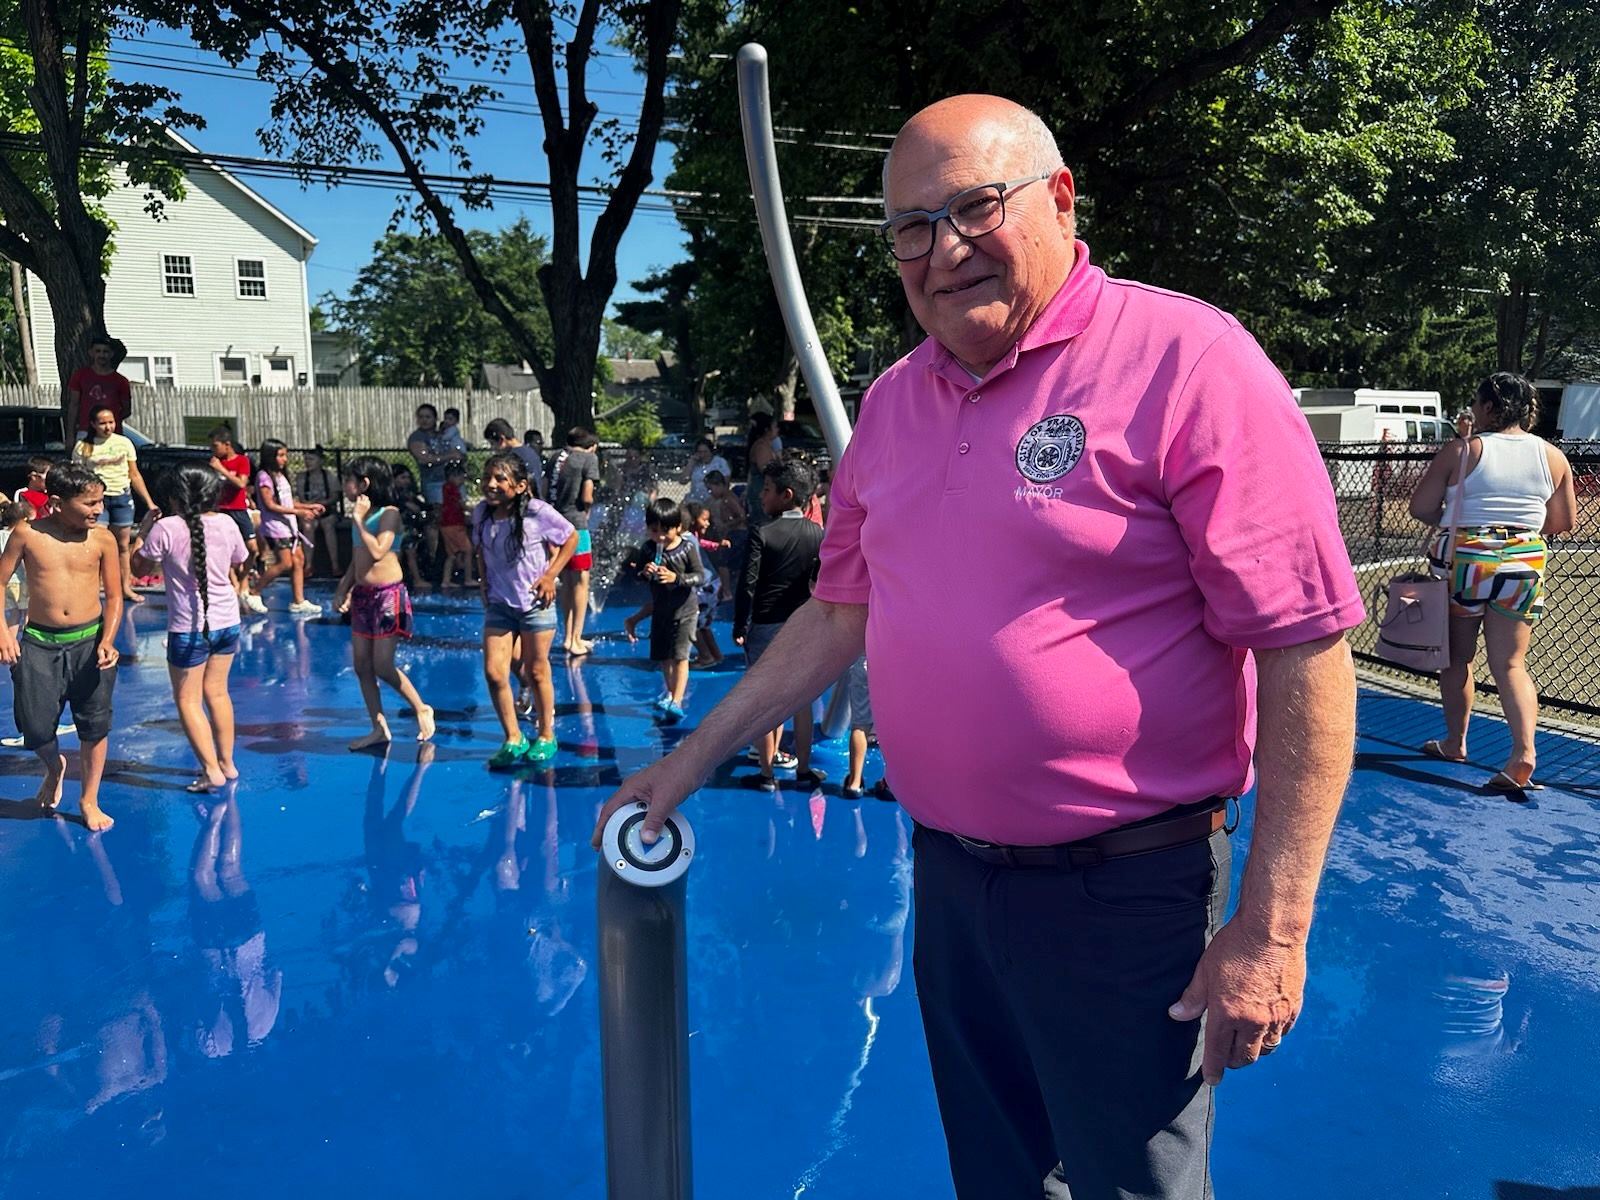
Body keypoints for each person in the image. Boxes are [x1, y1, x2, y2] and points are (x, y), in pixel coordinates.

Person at [595, 94, 1364, 1200]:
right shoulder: (895, 405)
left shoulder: (1187, 360)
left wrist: (1272, 930)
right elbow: (836, 612)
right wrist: (691, 756)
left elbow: (1304, 647)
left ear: (1058, 200)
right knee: (1001, 1178)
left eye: (973, 207)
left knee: (1130, 1187)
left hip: (1125, 892)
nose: (941, 249)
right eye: (912, 225)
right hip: (952, 882)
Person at [1409, 372, 1576, 792]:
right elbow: (1563, 522)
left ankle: (1454, 742)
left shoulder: (1463, 451)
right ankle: (1523, 754)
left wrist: (1452, 515)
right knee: (1511, 663)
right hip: (1523, 563)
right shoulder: (1553, 457)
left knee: (1458, 658)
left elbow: (1421, 507)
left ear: (1486, 407)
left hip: (1467, 561)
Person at [0, 462, 124, 831]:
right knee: (35, 728)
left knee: (95, 726)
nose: (98, 510)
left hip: (89, 644)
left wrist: (108, 641)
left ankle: (89, 798)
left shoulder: (103, 539)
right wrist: (4, 633)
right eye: (89, 503)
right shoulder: (27, 534)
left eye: (101, 502)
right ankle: (54, 767)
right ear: (56, 502)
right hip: (39, 645)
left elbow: (115, 597)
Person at [130, 463, 250, 793]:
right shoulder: (226, 522)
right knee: (218, 692)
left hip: (188, 628)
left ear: (175, 497)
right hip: (226, 622)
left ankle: (211, 770)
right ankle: (227, 763)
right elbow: (240, 558)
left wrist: (142, 532)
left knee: (188, 700)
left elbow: (138, 568)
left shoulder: (167, 528)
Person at [471, 451, 577, 769]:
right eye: (487, 477)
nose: (490, 484)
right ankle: (513, 737)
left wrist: (550, 575)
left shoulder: (536, 512)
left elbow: (570, 537)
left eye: (499, 479)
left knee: (536, 670)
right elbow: (481, 550)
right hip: (500, 604)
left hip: (535, 604)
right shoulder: (481, 513)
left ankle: (546, 735)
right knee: (493, 671)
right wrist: (483, 582)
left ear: (519, 486)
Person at [732, 457, 826, 792]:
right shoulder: (818, 534)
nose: (761, 496)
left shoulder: (763, 532)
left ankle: (767, 774)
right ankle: (803, 769)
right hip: (804, 627)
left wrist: (740, 625)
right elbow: (821, 583)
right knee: (802, 702)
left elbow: (748, 584)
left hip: (766, 625)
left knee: (763, 699)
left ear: (786, 495)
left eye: (767, 490)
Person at [334, 456, 435, 751]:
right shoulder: (363, 517)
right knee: (362, 665)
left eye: (348, 480)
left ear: (365, 483)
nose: (344, 486)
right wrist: (344, 587)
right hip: (365, 597)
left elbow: (378, 551)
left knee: (382, 664)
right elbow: (358, 558)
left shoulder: (388, 514)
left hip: (388, 596)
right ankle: (378, 728)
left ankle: (421, 707)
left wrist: (358, 520)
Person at [622, 498, 704, 724]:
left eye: (665, 531)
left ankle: (677, 701)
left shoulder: (686, 547)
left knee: (680, 657)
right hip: (661, 611)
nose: (659, 536)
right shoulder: (648, 549)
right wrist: (645, 572)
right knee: (664, 657)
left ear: (678, 527)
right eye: (653, 530)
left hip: (685, 611)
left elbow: (700, 575)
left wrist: (676, 578)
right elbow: (638, 574)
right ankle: (670, 693)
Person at [74, 404, 157, 605]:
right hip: (97, 500)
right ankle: (94, 587)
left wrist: (149, 502)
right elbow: (77, 477)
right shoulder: (83, 447)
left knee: (121, 544)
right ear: (93, 424)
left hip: (121, 496)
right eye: (102, 423)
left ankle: (125, 587)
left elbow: (134, 474)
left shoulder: (124, 443)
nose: (107, 427)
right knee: (96, 543)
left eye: (111, 422)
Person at [250, 438, 324, 615]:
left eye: (285, 455)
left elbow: (288, 502)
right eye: (281, 455)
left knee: (299, 560)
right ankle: (254, 591)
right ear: (270, 456)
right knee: (285, 563)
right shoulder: (264, 477)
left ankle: (298, 601)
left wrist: (308, 506)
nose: (285, 459)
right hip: (276, 528)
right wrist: (299, 513)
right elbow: (270, 505)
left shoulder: (281, 476)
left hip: (289, 527)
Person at [551, 427, 601, 656]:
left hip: (554, 524)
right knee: (581, 582)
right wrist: (587, 511)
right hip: (576, 526)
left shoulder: (555, 458)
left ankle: (566, 636)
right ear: (591, 445)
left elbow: (543, 488)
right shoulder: (589, 458)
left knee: (566, 583)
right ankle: (575, 638)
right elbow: (587, 495)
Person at [208, 427, 259, 612]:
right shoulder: (214, 462)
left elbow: (241, 484)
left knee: (252, 548)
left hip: (238, 509)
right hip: (221, 510)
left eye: (216, 446)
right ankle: (234, 582)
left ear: (227, 445)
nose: (213, 450)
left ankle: (244, 577)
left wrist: (222, 469)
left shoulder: (241, 461)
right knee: (225, 551)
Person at [838, 656, 892, 801]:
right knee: (891, 726)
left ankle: (854, 783)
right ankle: (891, 783)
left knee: (860, 725)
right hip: (891, 664)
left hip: (864, 662)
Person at [68, 334, 131, 434]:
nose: (102, 355)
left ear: (111, 354)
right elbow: (73, 405)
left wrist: (108, 421)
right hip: (86, 431)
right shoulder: (80, 376)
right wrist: (70, 434)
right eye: (98, 351)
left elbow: (126, 410)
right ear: (91, 353)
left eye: (105, 352)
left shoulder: (120, 381)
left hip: (112, 434)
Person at [297, 446, 343, 578]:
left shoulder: (329, 476)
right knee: (307, 525)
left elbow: (335, 497)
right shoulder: (301, 478)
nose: (308, 462)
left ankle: (335, 565)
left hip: (327, 510)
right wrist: (311, 507)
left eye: (311, 459)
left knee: (328, 525)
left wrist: (322, 504)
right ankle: (308, 565)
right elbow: (301, 498)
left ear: (320, 461)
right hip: (309, 510)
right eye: (306, 459)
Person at [391, 465, 431, 593]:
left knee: (411, 552)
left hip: (412, 527)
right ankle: (415, 579)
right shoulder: (392, 495)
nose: (406, 481)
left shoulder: (411, 493)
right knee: (404, 554)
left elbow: (421, 506)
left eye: (408, 478)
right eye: (402, 478)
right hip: (400, 528)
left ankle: (415, 578)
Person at [438, 464, 478, 590]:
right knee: (468, 550)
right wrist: (475, 510)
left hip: (447, 524)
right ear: (452, 477)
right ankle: (468, 578)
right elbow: (461, 505)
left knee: (451, 555)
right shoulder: (452, 489)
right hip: (454, 525)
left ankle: (446, 580)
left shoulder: (446, 488)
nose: (462, 481)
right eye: (461, 478)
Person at [743, 412, 782, 527]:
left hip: (763, 491)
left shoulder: (767, 445)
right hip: (760, 491)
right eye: (775, 427)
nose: (777, 429)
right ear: (767, 430)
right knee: (762, 525)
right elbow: (765, 469)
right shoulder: (761, 447)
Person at [683, 436, 732, 503]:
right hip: (695, 499)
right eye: (700, 452)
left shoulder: (720, 462)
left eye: (705, 452)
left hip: (714, 499)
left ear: (711, 451)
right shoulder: (695, 464)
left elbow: (726, 484)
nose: (703, 455)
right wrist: (691, 463)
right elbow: (683, 481)